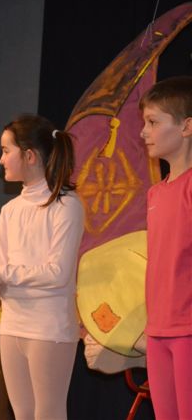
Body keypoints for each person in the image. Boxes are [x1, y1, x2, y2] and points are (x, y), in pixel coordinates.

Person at [0, 115, 84, 420]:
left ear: (30, 156)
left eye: (6, 151)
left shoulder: (67, 205)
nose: (0, 160)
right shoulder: (10, 210)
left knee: (49, 413)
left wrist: (0, 274)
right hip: (13, 323)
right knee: (22, 413)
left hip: (49, 326)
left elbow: (57, 273)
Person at [139, 75, 192, 420]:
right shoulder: (156, 193)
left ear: (186, 126)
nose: (144, 132)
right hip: (158, 330)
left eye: (153, 122)